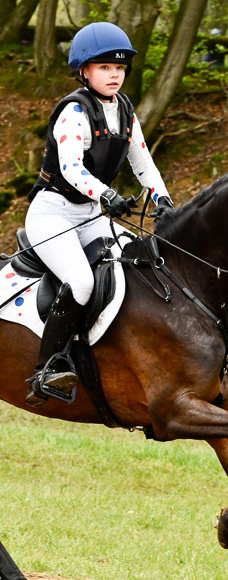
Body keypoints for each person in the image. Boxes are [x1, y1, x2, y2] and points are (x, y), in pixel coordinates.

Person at [24, 21, 173, 407]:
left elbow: (143, 163)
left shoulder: (125, 110)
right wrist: (108, 194)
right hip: (52, 214)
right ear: (85, 71)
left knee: (131, 267)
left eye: (120, 69)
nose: (115, 75)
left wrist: (162, 199)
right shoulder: (74, 112)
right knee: (82, 282)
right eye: (105, 68)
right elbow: (72, 168)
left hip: (90, 214)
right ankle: (47, 368)